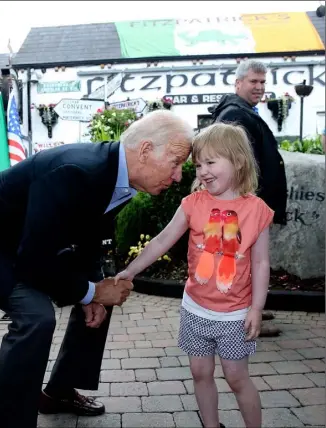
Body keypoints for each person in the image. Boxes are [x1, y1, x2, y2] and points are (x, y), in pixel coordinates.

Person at [0, 109, 194, 428]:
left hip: (25, 245)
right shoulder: (77, 170)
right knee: (36, 315)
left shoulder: (119, 177)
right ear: (145, 150)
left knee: (105, 294)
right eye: (176, 162)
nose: (178, 176)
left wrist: (96, 292)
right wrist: (89, 291)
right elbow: (33, 261)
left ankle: (59, 391)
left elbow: (89, 240)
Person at [115, 123, 274, 428]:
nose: (202, 171)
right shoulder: (192, 204)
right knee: (200, 374)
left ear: (238, 160)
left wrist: (256, 307)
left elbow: (261, 263)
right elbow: (162, 241)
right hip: (195, 310)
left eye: (211, 162)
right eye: (198, 164)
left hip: (234, 315)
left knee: (237, 377)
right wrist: (130, 270)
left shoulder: (257, 211)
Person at [212, 59, 287, 226]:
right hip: (244, 211)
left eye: (262, 82)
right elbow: (232, 167)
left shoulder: (242, 111)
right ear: (238, 83)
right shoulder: (235, 115)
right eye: (253, 81)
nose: (259, 87)